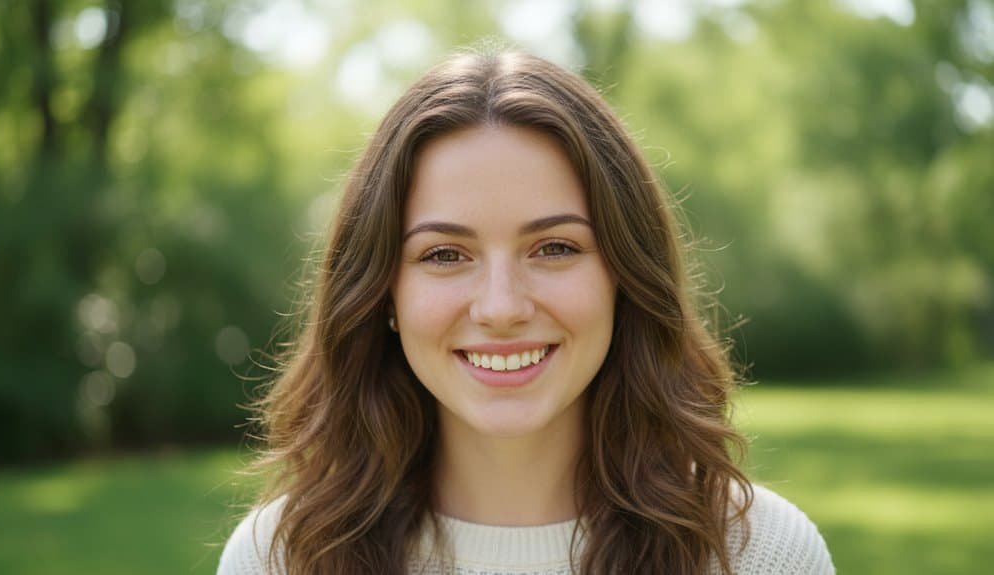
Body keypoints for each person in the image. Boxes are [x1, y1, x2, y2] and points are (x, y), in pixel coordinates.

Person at [217, 48, 834, 575]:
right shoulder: (282, 558)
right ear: (382, 294)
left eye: (555, 248)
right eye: (445, 254)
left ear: (625, 276)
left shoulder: (760, 555)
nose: (502, 307)